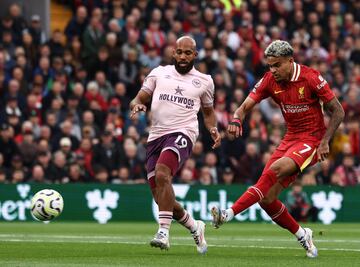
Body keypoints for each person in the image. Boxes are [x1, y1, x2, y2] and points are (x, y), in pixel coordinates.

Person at [211, 40, 345, 258]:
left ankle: (228, 213)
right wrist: (236, 120)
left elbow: (338, 111)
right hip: (289, 139)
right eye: (269, 66)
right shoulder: (269, 80)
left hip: (311, 140)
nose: (272, 70)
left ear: (290, 61)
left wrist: (325, 141)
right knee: (266, 199)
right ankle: (303, 234)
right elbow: (245, 106)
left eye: (277, 65)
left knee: (276, 170)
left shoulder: (310, 77)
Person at [129, 36, 221, 253]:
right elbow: (138, 98)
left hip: (183, 133)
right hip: (156, 136)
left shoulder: (205, 80)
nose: (182, 56)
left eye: (187, 53)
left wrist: (213, 129)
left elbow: (208, 113)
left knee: (163, 174)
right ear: (173, 53)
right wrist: (138, 105)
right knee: (161, 196)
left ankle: (163, 232)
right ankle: (194, 226)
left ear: (195, 55)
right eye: (179, 52)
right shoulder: (158, 73)